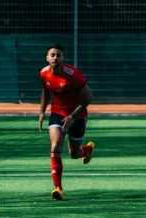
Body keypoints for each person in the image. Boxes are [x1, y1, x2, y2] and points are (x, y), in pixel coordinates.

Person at [39, 44, 95, 201]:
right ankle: (58, 188)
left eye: (58, 55)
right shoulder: (44, 73)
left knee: (74, 154)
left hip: (77, 115)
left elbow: (89, 98)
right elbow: (45, 90)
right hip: (57, 113)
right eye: (52, 55)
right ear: (47, 58)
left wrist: (72, 116)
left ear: (62, 58)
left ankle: (87, 150)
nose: (55, 58)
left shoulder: (73, 74)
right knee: (55, 146)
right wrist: (42, 112)